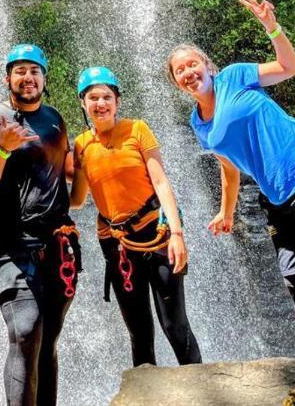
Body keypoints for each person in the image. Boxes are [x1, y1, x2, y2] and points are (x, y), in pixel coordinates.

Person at [167, 0, 295, 361]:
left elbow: (288, 67)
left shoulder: (235, 77)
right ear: (175, 83)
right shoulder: (198, 124)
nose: (188, 73)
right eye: (179, 71)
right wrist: (227, 212)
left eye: (192, 64)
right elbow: (228, 166)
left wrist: (272, 27)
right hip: (278, 197)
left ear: (208, 64)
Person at [70, 65, 202, 367]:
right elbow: (77, 200)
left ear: (117, 101)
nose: (100, 103)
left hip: (156, 236)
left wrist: (178, 235)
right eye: (93, 98)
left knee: (175, 325)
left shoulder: (137, 130)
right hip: (117, 245)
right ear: (83, 103)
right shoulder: (80, 145)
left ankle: (200, 390)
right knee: (139, 332)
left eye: (106, 97)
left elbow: (160, 182)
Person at [0, 44, 80, 406]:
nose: (28, 78)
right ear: (8, 78)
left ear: (44, 78)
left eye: (34, 71)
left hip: (59, 246)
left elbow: (67, 177)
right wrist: (2, 149)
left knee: (47, 339)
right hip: (12, 247)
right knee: (26, 330)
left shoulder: (54, 118)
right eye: (20, 71)